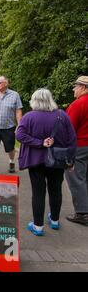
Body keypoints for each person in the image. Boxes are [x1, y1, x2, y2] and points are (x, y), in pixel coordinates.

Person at [16, 89, 77, 236]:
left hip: (35, 161)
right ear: (50, 99)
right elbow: (72, 139)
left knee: (38, 193)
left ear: (34, 100)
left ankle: (38, 226)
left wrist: (39, 143)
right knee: (56, 190)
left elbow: (19, 134)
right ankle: (55, 220)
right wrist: (71, 160)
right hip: (58, 160)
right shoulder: (62, 115)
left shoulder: (29, 117)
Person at [65, 75, 88, 226]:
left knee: (75, 176)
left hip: (80, 145)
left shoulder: (78, 104)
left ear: (84, 88)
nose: (74, 89)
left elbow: (69, 129)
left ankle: (82, 213)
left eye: (76, 86)